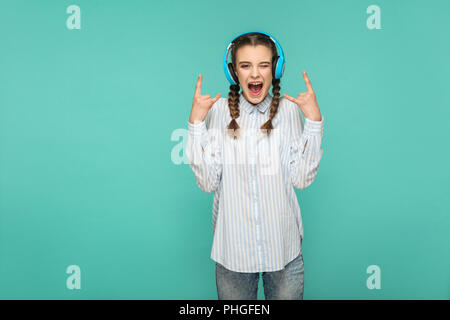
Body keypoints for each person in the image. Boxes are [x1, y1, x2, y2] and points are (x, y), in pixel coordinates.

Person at [186, 31, 324, 300]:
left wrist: (314, 122)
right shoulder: (216, 112)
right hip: (232, 256)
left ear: (276, 69)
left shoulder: (290, 111)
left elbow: (302, 179)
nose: (255, 74)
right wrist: (195, 125)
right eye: (245, 65)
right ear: (233, 72)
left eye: (263, 65)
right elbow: (207, 183)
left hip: (284, 252)